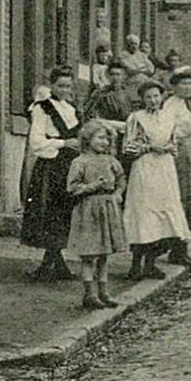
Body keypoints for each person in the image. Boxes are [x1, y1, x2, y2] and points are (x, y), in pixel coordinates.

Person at [121, 78, 191, 281]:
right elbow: (128, 147)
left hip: (165, 170)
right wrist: (150, 148)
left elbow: (173, 144)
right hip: (144, 168)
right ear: (142, 99)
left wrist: (169, 148)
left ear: (162, 97)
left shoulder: (169, 117)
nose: (152, 100)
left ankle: (151, 264)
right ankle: (135, 266)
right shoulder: (136, 118)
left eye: (156, 96)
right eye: (148, 97)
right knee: (144, 213)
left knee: (164, 214)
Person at [21, 66, 81, 282]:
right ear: (52, 85)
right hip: (51, 166)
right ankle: (52, 267)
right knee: (50, 214)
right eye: (60, 85)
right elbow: (36, 142)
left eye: (68, 85)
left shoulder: (71, 109)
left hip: (69, 166)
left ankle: (52, 266)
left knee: (63, 214)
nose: (64, 89)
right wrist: (64, 143)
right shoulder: (42, 108)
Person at [64, 124, 126, 310]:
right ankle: (89, 294)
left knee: (104, 254)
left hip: (108, 208)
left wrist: (118, 193)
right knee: (89, 254)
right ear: (88, 139)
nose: (104, 142)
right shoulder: (80, 162)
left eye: (107, 139)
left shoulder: (111, 161)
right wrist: (92, 186)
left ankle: (104, 292)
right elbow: (72, 188)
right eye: (99, 138)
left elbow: (122, 178)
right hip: (88, 210)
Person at [162, 66, 191, 260]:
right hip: (178, 154)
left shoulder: (181, 104)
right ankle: (178, 250)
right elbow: (166, 131)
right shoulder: (170, 105)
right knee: (182, 196)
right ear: (174, 86)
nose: (188, 87)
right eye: (184, 83)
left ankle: (181, 249)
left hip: (189, 153)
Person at [85, 62, 134, 152]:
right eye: (112, 74)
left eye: (118, 74)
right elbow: (89, 113)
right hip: (107, 131)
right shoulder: (100, 93)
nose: (115, 78)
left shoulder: (129, 94)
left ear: (123, 76)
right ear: (107, 76)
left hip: (127, 131)